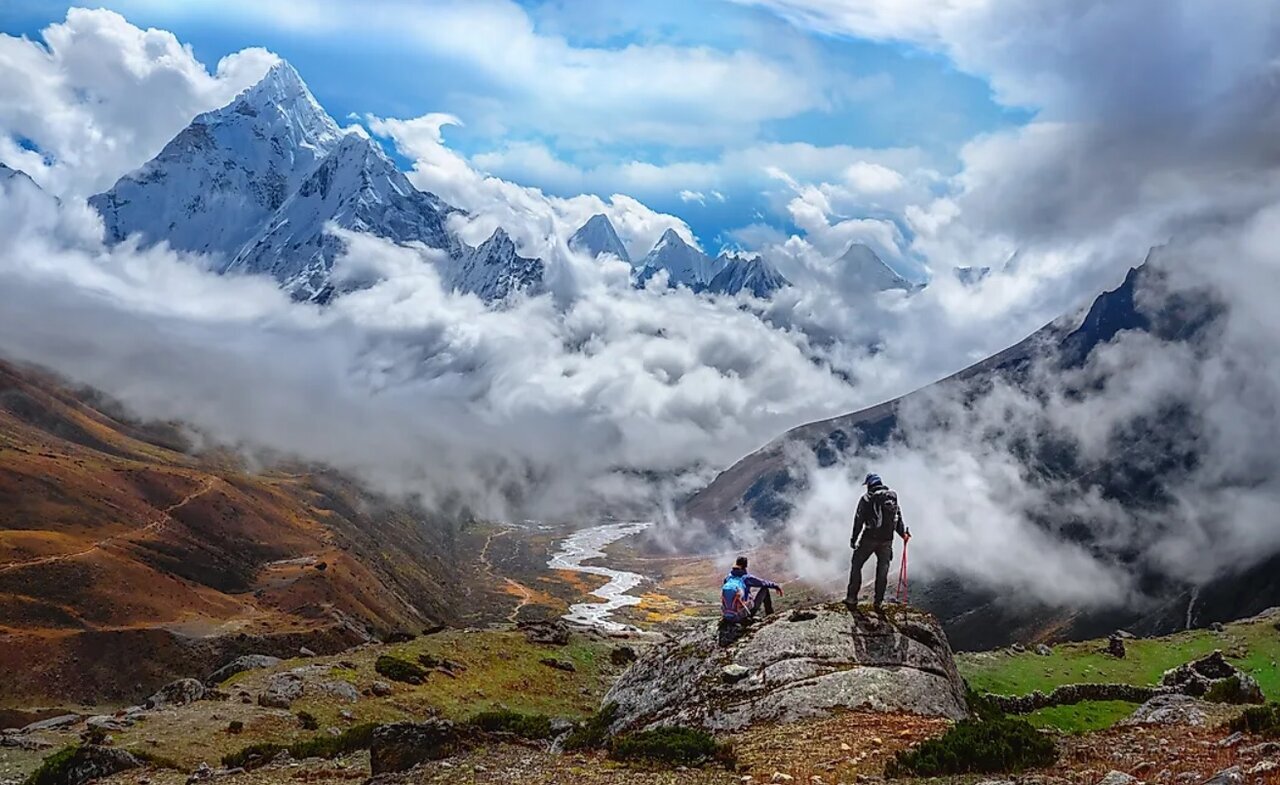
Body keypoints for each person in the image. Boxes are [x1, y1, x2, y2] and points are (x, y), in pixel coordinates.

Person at [844, 473, 910, 613]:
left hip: (869, 538)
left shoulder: (866, 499)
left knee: (857, 564)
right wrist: (903, 534)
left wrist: (853, 539)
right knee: (882, 571)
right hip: (887, 540)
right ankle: (878, 602)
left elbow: (858, 521)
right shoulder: (892, 497)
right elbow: (897, 518)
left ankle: (851, 599)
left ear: (869, 485)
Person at [721, 556, 782, 623]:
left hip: (727, 616)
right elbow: (763, 583)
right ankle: (770, 616)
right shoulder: (746, 578)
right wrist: (776, 586)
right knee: (765, 590)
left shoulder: (728, 578)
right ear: (746, 566)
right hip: (742, 616)